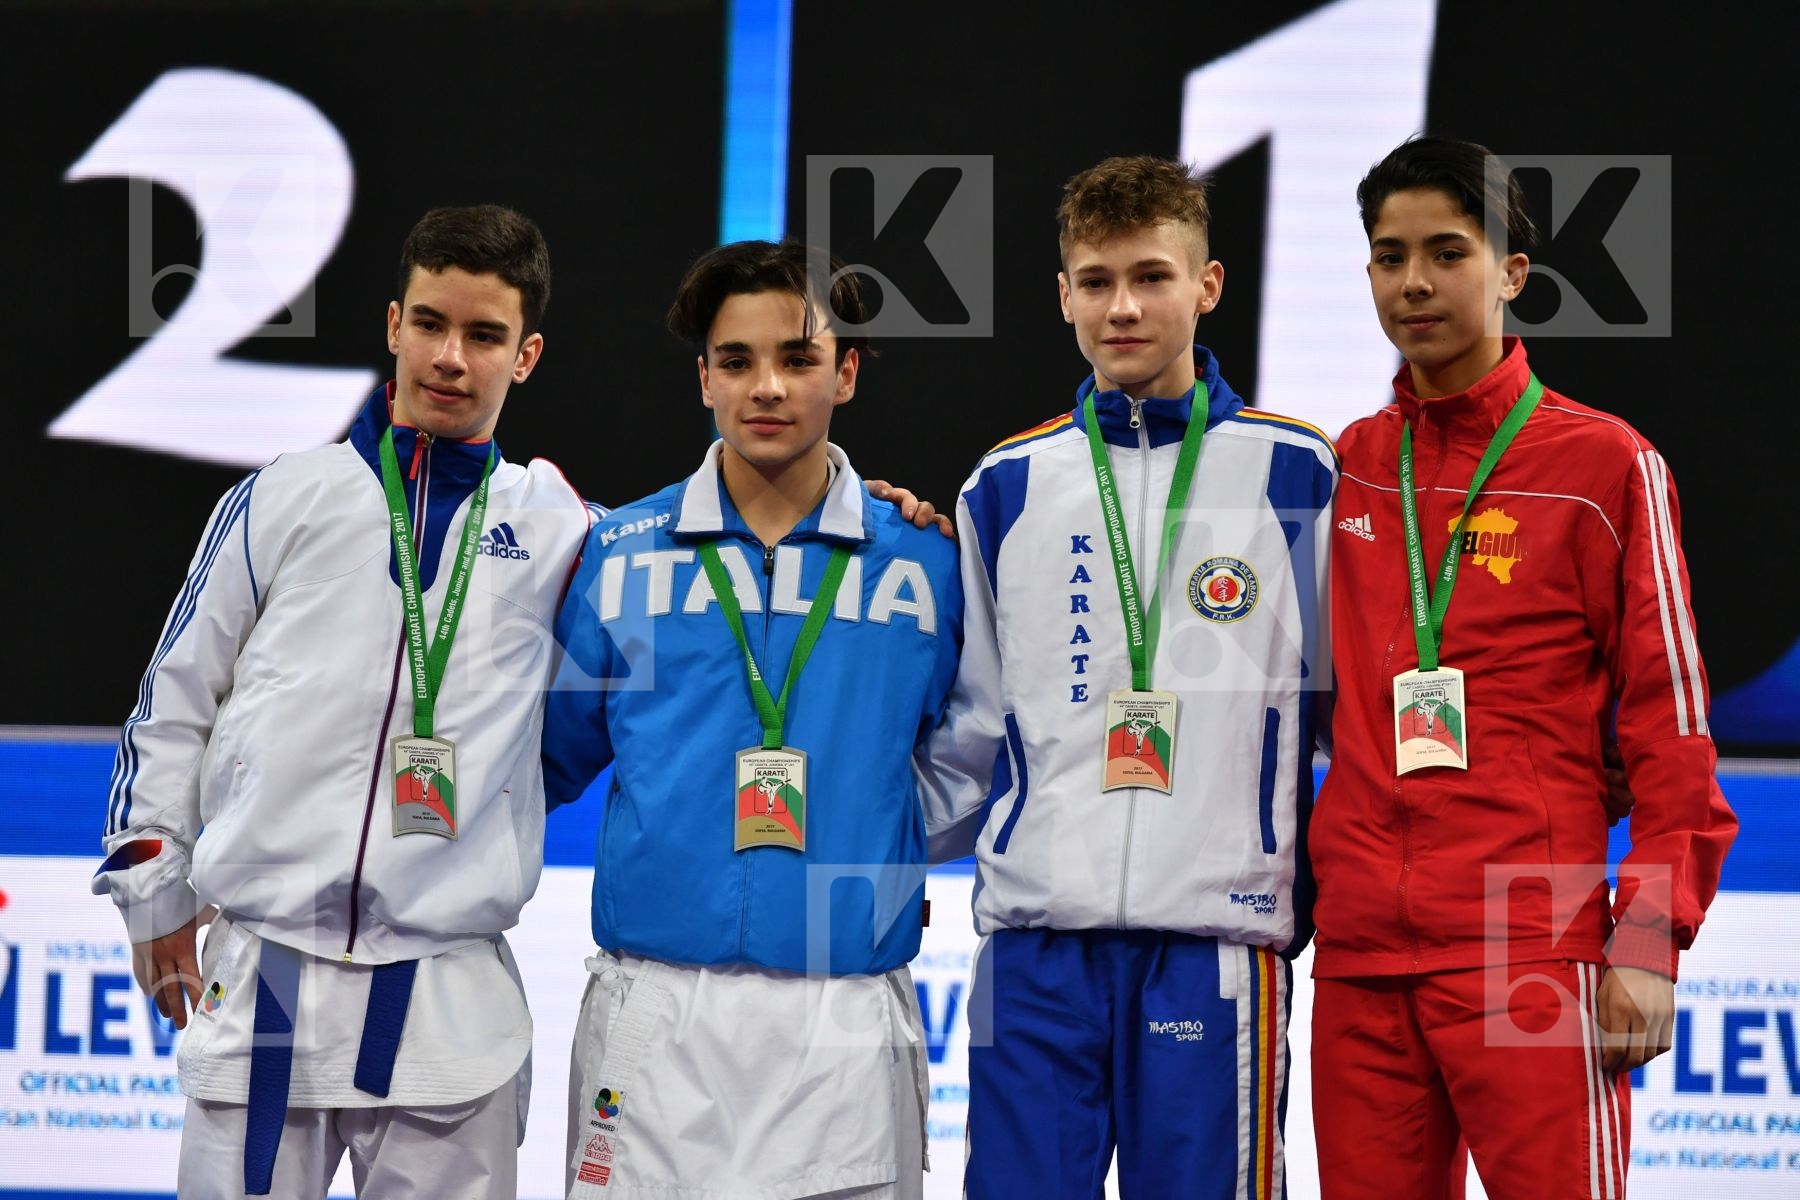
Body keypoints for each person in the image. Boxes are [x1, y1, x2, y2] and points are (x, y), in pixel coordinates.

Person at [93, 205, 588, 1198]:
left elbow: (713, 564)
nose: (451, 357)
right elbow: (172, 705)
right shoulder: (284, 495)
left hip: (451, 1003)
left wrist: (871, 505)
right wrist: (154, 896)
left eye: (484, 335)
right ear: (393, 324)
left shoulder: (563, 527)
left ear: (525, 355)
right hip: (267, 981)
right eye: (432, 324)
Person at [1307, 134, 1739, 1199]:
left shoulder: (1604, 466)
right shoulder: (1345, 469)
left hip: (1530, 947)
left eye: (1447, 252)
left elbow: (1668, 726)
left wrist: (1646, 940)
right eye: (1388, 255)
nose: (1414, 282)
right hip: (1361, 955)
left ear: (1512, 273)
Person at [917, 155, 1336, 1199]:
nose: (1123, 307)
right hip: (1037, 946)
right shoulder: (1005, 484)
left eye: (1151, 276)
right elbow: (972, 729)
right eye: (1096, 281)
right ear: (1062, 296)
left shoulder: (1298, 473)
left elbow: (1348, 716)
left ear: (1209, 285)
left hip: (1215, 941)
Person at [541, 239, 963, 1199]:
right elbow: (546, 759)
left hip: (844, 1020)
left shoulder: (928, 559)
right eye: (736, 361)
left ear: (846, 373)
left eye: (799, 359)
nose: (766, 387)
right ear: (703, 379)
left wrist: (876, 845)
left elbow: (974, 753)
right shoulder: (617, 554)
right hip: (653, 1012)